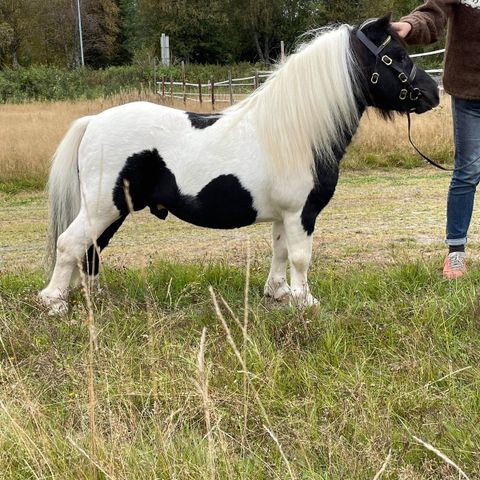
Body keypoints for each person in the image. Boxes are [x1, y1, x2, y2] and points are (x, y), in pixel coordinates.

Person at [392, 1, 480, 279]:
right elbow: (433, 12)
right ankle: (455, 254)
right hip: (469, 93)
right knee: (467, 172)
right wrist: (408, 26)